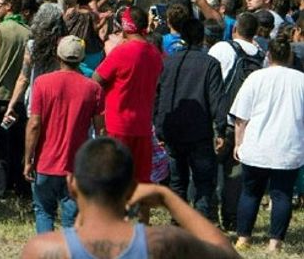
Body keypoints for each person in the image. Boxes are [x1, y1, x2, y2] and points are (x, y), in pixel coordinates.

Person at [20, 138, 239, 259]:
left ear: (71, 184)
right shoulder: (162, 244)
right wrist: (167, 197)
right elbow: (228, 254)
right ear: (132, 187)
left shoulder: (44, 249)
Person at [229, 34, 304, 252]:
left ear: (268, 55)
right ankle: (275, 243)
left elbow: (241, 117)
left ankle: (243, 238)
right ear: (289, 56)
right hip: (288, 147)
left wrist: (238, 143)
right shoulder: (300, 80)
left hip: (257, 146)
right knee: (282, 194)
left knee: (250, 193)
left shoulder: (256, 78)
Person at [23, 36, 104, 234]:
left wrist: (28, 159)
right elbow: (100, 130)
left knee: (44, 212)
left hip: (45, 162)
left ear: (58, 56)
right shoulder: (93, 88)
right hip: (76, 165)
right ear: (82, 58)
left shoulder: (42, 83)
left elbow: (34, 124)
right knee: (72, 220)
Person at [153, 19, 226, 222]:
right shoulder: (210, 64)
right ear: (202, 37)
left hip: (172, 129)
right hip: (199, 131)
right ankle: (199, 225)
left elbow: (157, 97)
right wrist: (221, 129)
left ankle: (178, 223)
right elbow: (217, 99)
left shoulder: (168, 63)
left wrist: (158, 127)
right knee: (203, 183)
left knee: (177, 182)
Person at [93, 7, 163, 190]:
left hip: (118, 126)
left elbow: (96, 80)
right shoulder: (155, 54)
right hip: (143, 127)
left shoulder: (121, 52)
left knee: (115, 182)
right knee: (141, 183)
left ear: (125, 26)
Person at [206, 11, 263, 230]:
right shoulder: (261, 55)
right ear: (255, 32)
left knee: (209, 170)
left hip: (219, 119)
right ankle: (231, 218)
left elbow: (210, 81)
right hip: (245, 124)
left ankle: (210, 217)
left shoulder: (222, 48)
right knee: (235, 176)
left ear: (235, 29)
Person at [0, 0, 31, 198]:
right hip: (20, 98)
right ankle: (17, 185)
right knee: (16, 143)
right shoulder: (28, 32)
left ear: (9, 7)